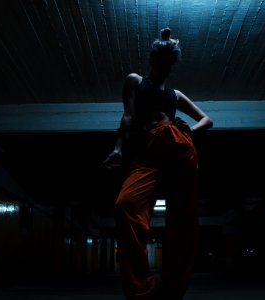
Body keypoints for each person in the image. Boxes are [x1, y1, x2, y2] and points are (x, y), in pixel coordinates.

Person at [103, 28, 213, 300]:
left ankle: (173, 289)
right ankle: (143, 289)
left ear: (173, 65)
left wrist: (187, 132)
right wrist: (117, 149)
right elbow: (128, 118)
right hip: (146, 151)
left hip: (177, 147)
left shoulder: (176, 94)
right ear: (153, 60)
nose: (166, 67)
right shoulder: (135, 81)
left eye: (170, 63)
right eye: (161, 62)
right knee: (125, 205)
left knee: (183, 219)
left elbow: (207, 120)